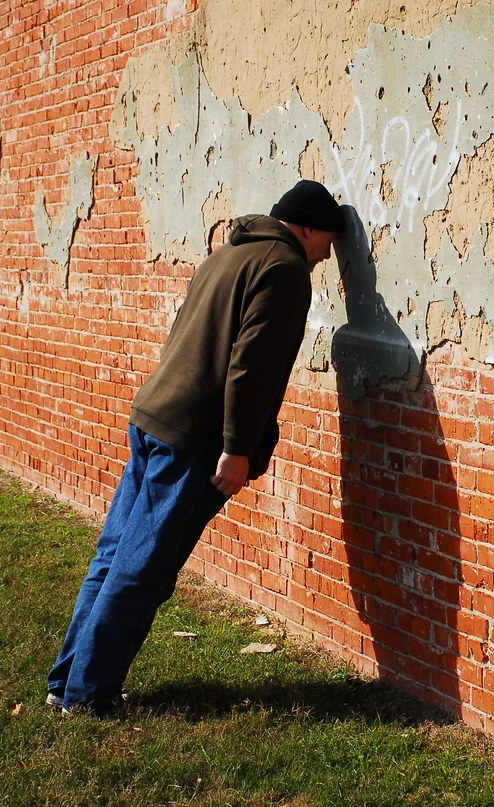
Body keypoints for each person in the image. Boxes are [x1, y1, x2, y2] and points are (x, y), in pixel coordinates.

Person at [46, 180, 345, 716]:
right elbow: (251, 366)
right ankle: (89, 696)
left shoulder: (226, 255)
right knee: (143, 569)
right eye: (329, 241)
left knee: (113, 556)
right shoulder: (284, 268)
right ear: (308, 227)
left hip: (153, 417)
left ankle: (67, 682)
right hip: (194, 439)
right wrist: (237, 449)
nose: (327, 255)